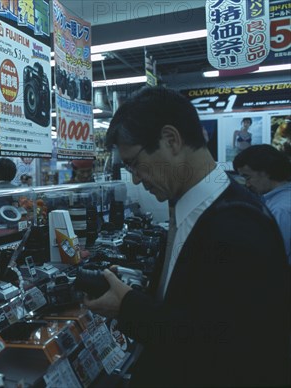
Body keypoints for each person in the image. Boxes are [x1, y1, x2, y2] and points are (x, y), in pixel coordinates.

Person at [84, 86, 289, 386]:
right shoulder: (193, 209)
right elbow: (192, 308)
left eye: (134, 163)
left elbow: (221, 345)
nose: (136, 179)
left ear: (171, 140)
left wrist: (127, 306)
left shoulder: (236, 224)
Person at [233, 144, 291, 265]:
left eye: (247, 177)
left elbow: (272, 258)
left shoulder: (279, 210)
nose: (247, 184)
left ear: (266, 172)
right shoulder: (278, 202)